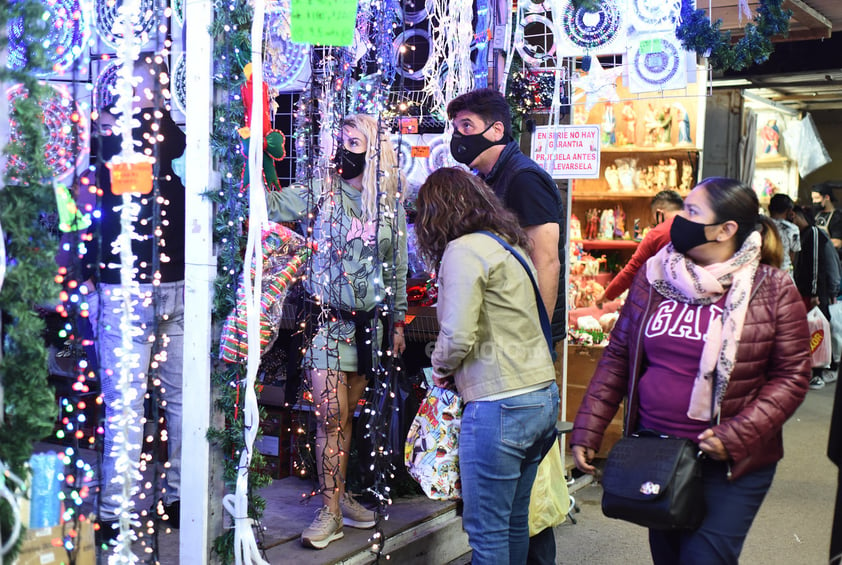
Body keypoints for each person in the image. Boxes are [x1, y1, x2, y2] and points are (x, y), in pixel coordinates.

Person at [571, 177, 811, 565]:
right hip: (657, 451)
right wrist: (588, 427)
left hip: (730, 462)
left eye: (692, 212)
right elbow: (619, 356)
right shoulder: (655, 276)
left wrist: (736, 434)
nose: (679, 218)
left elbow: (793, 375)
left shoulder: (772, 288)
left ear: (726, 230)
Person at [265, 114, 408, 549]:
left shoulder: (389, 205)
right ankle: (329, 513)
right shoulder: (321, 190)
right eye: (339, 139)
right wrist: (251, 155)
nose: (342, 148)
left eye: (353, 141)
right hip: (326, 323)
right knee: (329, 416)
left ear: (374, 150)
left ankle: (340, 495)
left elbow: (396, 267)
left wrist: (397, 320)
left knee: (346, 418)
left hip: (369, 330)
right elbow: (270, 206)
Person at [414, 167, 559, 565]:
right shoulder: (507, 244)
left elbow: (458, 334)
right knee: (513, 522)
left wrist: (439, 365)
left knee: (487, 533)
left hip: (500, 403)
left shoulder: (463, 251)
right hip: (541, 397)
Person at [446, 87, 564, 563]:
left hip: (521, 349)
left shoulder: (523, 178)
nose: (459, 138)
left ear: (497, 129)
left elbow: (547, 260)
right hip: (514, 350)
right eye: (456, 129)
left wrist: (536, 331)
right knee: (517, 508)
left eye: (468, 128)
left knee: (509, 515)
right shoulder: (492, 178)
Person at [89, 54, 186, 545]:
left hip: (156, 284)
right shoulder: (127, 130)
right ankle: (140, 505)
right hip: (146, 283)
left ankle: (151, 504)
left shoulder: (154, 131)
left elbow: (167, 144)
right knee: (149, 405)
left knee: (162, 404)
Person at [597, 190, 683, 304]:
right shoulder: (701, 226)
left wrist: (606, 295)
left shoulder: (658, 233)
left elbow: (632, 270)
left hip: (669, 303)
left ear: (659, 214)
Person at [791, 206, 840, 389]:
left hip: (815, 293)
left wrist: (814, 293)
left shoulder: (813, 234)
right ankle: (811, 370)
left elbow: (816, 265)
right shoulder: (805, 234)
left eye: (793, 217)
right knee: (809, 331)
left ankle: (819, 372)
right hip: (807, 291)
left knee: (817, 331)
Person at [767, 193, 800, 276]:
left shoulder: (762, 225)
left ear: (769, 208)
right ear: (789, 211)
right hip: (785, 272)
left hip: (765, 271)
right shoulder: (793, 229)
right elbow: (793, 255)